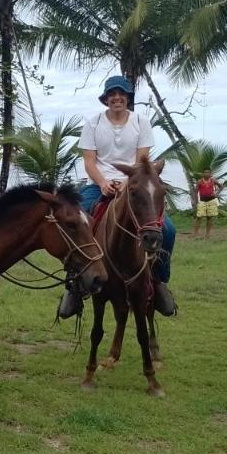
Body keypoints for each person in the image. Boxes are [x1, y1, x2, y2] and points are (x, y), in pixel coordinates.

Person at [59, 74, 176, 318]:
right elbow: (89, 162)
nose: (116, 98)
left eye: (121, 94)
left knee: (168, 229)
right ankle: (74, 285)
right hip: (98, 185)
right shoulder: (92, 124)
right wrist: (102, 183)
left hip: (132, 184)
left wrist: (126, 184)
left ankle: (159, 281)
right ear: (106, 99)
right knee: (76, 224)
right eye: (112, 94)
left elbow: (141, 161)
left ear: (127, 98)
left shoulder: (141, 122)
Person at [192, 168, 220, 239]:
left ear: (210, 173)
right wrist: (196, 202)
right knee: (199, 217)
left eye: (208, 172)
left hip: (211, 201)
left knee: (210, 218)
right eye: (205, 172)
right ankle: (195, 234)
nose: (206, 174)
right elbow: (196, 192)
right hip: (202, 201)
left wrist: (217, 193)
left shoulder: (213, 180)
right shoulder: (199, 181)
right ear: (203, 173)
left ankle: (207, 234)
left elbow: (221, 186)